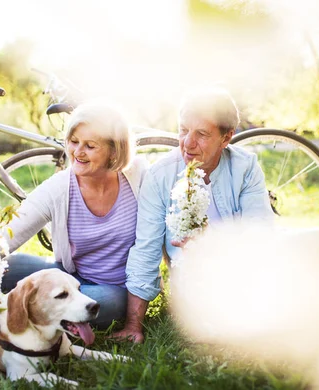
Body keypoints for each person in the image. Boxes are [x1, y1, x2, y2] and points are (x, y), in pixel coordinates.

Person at [111, 87, 275, 343]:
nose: (187, 143)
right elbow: (146, 248)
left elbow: (260, 232)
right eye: (183, 129)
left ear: (226, 138)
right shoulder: (159, 176)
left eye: (201, 134)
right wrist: (134, 325)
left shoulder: (245, 167)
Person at [0, 101, 148, 329]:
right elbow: (10, 233)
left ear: (114, 150)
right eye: (74, 141)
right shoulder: (59, 188)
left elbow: (160, 234)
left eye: (90, 145)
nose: (78, 152)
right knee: (8, 266)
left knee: (104, 303)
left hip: (116, 290)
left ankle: (39, 308)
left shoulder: (138, 176)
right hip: (69, 278)